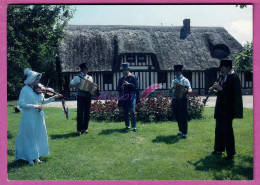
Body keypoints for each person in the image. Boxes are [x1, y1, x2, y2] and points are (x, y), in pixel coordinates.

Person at [15, 68, 62, 165]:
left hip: (38, 116)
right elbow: (21, 104)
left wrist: (53, 98)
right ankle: (28, 157)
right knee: (30, 136)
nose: (38, 81)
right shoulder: (25, 89)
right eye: (36, 79)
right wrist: (34, 106)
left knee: (38, 135)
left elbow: (42, 102)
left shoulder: (37, 89)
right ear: (30, 79)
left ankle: (36, 156)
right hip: (29, 116)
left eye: (38, 79)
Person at [211, 59, 243, 160]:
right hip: (220, 108)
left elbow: (233, 95)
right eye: (221, 67)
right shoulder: (222, 77)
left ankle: (230, 153)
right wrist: (215, 91)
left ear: (228, 68)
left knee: (228, 130)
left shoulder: (234, 78)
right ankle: (218, 149)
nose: (221, 69)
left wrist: (220, 89)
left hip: (228, 109)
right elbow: (221, 94)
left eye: (223, 67)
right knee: (219, 129)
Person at [69, 63, 94, 136]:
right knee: (80, 113)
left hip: (88, 96)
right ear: (82, 69)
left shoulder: (90, 77)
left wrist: (93, 89)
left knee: (87, 113)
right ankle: (79, 129)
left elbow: (91, 86)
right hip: (80, 96)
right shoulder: (77, 77)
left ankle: (85, 128)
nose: (87, 70)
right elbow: (70, 86)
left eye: (88, 69)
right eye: (86, 69)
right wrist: (78, 84)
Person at [170, 65, 192, 139]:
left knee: (183, 116)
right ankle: (181, 130)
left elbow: (190, 90)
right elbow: (170, 91)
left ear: (181, 71)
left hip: (183, 100)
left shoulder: (185, 80)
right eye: (175, 71)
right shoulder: (174, 81)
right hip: (175, 99)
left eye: (178, 71)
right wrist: (172, 88)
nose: (176, 73)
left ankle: (184, 133)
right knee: (177, 116)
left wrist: (186, 91)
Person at [117, 63, 139, 133]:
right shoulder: (121, 79)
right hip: (124, 97)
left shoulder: (133, 77)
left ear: (129, 70)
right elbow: (118, 88)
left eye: (126, 70)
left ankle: (134, 127)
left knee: (132, 111)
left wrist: (129, 84)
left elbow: (136, 87)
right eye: (124, 70)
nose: (125, 71)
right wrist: (121, 87)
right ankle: (127, 126)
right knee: (125, 111)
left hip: (132, 96)